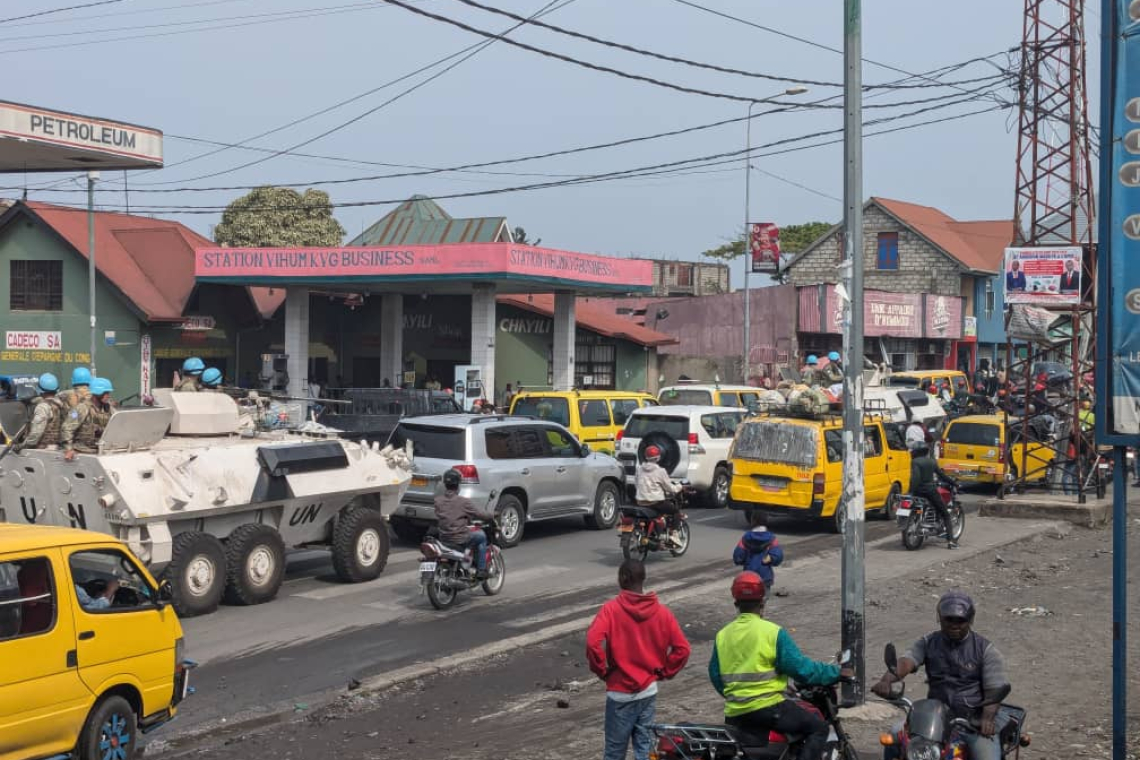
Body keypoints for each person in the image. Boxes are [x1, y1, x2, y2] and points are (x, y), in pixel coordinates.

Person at [709, 572, 849, 760]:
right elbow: (802, 670)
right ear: (762, 603)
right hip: (768, 709)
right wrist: (836, 672)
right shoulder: (773, 633)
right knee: (819, 728)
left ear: (736, 603)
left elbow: (716, 676)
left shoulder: (722, 636)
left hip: (735, 713)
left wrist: (739, 694)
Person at [872, 591, 1010, 760]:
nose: (954, 624)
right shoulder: (929, 642)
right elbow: (907, 661)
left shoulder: (986, 650)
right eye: (949, 619)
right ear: (940, 618)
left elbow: (994, 689)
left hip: (971, 721)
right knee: (894, 736)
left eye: (960, 620)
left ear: (970, 620)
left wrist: (987, 718)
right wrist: (886, 680)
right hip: (935, 719)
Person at [586, 559, 690, 760]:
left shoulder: (611, 610)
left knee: (614, 753)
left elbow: (592, 643)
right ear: (643, 578)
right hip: (647, 691)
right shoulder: (662, 612)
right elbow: (683, 649)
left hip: (620, 694)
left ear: (622, 578)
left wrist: (602, 670)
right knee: (644, 750)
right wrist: (665, 671)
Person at [433, 468, 495, 579]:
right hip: (459, 538)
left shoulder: (438, 501)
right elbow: (480, 514)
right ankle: (481, 570)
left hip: (444, 538)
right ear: (458, 484)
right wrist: (493, 514)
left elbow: (448, 516)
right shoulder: (464, 502)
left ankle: (467, 563)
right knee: (481, 536)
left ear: (445, 484)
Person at [635, 445, 683, 546]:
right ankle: (674, 534)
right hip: (655, 503)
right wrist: (679, 487)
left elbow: (636, 484)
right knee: (675, 511)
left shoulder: (639, 469)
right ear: (658, 457)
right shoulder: (660, 471)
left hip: (640, 502)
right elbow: (670, 488)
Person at [911, 443, 957, 548]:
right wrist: (954, 483)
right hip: (930, 491)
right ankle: (951, 541)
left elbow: (915, 478)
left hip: (917, 492)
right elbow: (942, 475)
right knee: (945, 514)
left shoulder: (914, 462)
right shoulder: (931, 461)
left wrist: (911, 491)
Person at [62, 377, 115, 461]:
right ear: (97, 392)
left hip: (101, 451)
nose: (108, 395)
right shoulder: (82, 408)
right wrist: (68, 449)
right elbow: (67, 428)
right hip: (83, 452)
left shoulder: (109, 409)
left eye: (108, 392)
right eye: (105, 393)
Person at [732, 512, 784, 591]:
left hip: (749, 577)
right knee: (763, 598)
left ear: (753, 521)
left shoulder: (745, 538)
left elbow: (737, 557)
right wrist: (770, 558)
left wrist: (745, 560)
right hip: (765, 577)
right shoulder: (771, 538)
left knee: (748, 598)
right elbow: (778, 556)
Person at [20, 373, 66, 451]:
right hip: (58, 448)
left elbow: (36, 432)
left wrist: (24, 445)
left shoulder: (42, 407)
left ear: (40, 390)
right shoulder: (61, 405)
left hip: (42, 450)